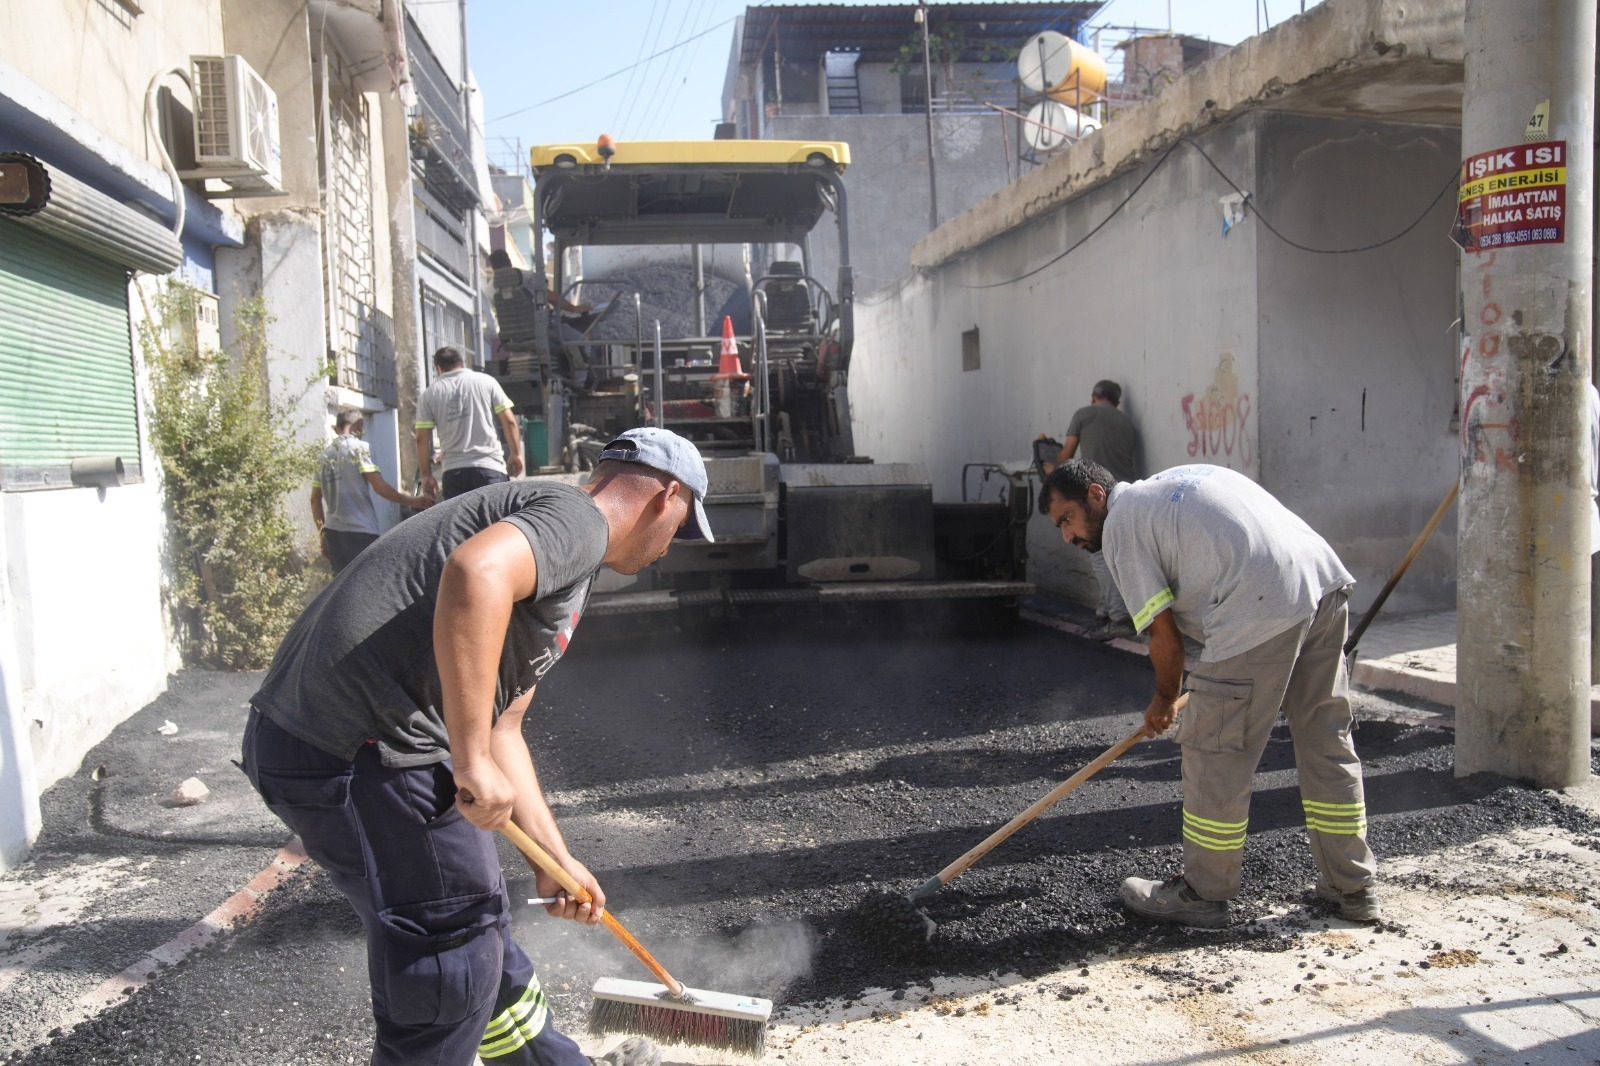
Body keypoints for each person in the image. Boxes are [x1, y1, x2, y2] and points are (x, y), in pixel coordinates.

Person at [241, 426, 714, 1066]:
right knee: (451, 947)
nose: (670, 548)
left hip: (303, 743)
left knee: (465, 920)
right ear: (668, 496)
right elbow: (475, 572)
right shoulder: (578, 518)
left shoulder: (551, 537)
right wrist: (465, 762)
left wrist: (553, 856)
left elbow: (503, 726)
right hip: (365, 746)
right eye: (683, 526)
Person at [1040, 459, 1379, 928]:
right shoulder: (1172, 485)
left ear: (1097, 496)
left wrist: (1163, 698)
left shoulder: (1122, 524)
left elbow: (1166, 640)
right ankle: (1353, 887)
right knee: (1327, 742)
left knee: (1214, 748)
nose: (1067, 537)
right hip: (1321, 583)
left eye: (1066, 520)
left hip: (1259, 604)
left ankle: (1203, 892)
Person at [1052, 380, 1141, 641]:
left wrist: (1051, 469)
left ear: (1094, 397)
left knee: (1101, 558)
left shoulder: (1083, 414)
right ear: (1116, 401)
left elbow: (1066, 456)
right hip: (1126, 495)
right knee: (1114, 558)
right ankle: (1104, 612)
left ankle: (1119, 618)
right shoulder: (1127, 423)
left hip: (1095, 499)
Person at [312, 407, 432, 573]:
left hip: (334, 533)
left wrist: (322, 535)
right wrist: (412, 501)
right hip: (360, 530)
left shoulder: (323, 456)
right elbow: (380, 488)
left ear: (337, 428)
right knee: (367, 585)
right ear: (359, 424)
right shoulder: (360, 449)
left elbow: (315, 500)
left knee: (341, 589)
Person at [415, 346, 525, 500]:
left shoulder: (429, 394)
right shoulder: (486, 381)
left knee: (461, 524)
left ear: (439, 368)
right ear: (463, 363)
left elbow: (421, 439)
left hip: (454, 473)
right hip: (490, 468)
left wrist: (426, 475)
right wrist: (516, 453)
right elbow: (510, 421)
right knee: (496, 521)